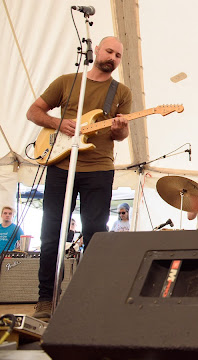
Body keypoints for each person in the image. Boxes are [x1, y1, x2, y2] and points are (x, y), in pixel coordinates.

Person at [26, 36, 132, 320]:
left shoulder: (120, 92)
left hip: (99, 167)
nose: (113, 57)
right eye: (109, 51)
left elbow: (120, 135)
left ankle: (90, 297)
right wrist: (59, 123)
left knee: (96, 235)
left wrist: (121, 127)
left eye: (118, 55)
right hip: (62, 165)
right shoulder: (67, 81)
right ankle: (45, 299)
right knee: (51, 234)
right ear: (96, 51)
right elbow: (33, 112)